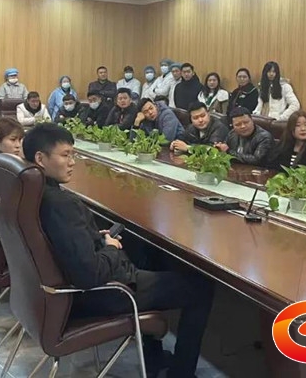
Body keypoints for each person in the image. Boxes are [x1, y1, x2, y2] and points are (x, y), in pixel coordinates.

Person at [26, 124, 214, 378]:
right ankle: (182, 373)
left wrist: (95, 238)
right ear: (40, 158)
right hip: (104, 292)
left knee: (147, 251)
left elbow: (67, 243)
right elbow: (90, 275)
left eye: (73, 154)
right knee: (202, 287)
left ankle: (153, 356)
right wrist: (110, 248)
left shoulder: (31, 191)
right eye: (65, 155)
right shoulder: (61, 204)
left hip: (55, 290)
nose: (72, 162)